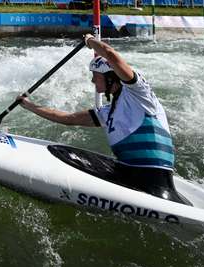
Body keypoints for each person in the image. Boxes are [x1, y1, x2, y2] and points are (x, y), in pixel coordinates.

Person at [18, 34, 185, 203]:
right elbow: (68, 118)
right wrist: (28, 105)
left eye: (95, 76)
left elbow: (110, 54)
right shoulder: (107, 112)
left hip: (156, 184)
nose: (92, 80)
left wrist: (89, 41)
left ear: (111, 78)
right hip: (129, 176)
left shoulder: (140, 95)